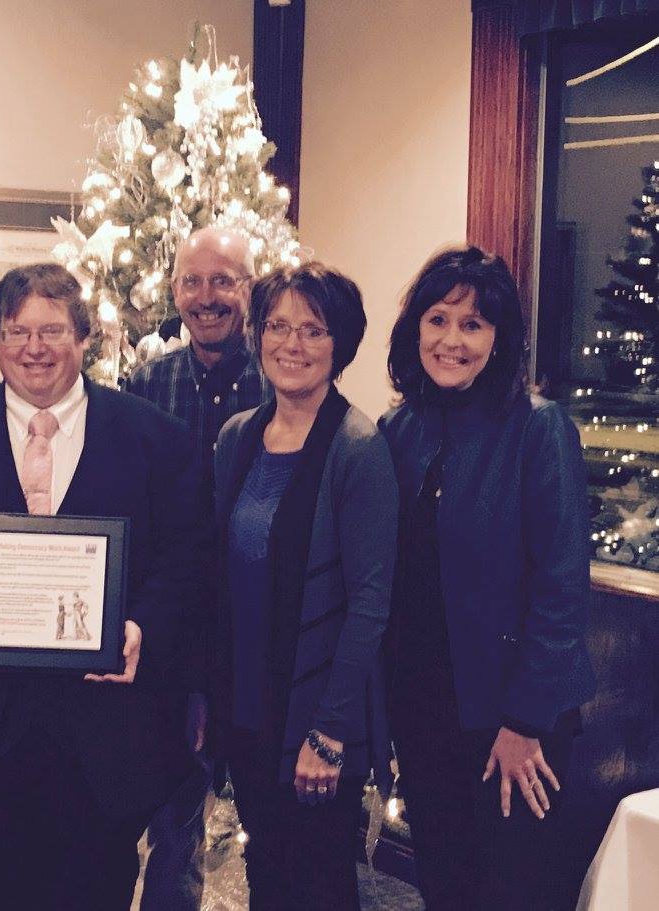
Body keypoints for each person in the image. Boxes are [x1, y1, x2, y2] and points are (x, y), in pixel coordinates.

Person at [0, 262, 211, 911]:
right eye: (17, 331)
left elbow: (186, 559)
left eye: (52, 330)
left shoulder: (157, 440)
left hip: (98, 753)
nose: (34, 348)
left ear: (84, 337)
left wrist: (141, 628)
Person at [379, 246, 596, 910]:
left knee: (512, 891)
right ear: (415, 328)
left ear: (498, 339)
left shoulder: (538, 428)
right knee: (444, 885)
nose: (452, 340)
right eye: (438, 319)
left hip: (514, 717)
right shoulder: (397, 429)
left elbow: (562, 588)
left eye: (472, 324)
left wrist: (525, 721)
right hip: (424, 711)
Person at [213, 262, 396, 909]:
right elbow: (219, 579)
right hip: (247, 708)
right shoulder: (238, 436)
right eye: (278, 326)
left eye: (313, 330)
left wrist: (329, 731)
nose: (292, 344)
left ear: (339, 344)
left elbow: (370, 605)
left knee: (317, 883)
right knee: (267, 867)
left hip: (315, 718)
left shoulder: (358, 446)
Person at [124, 225, 267, 911]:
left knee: (270, 821)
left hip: (257, 630)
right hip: (171, 631)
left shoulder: (282, 378)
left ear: (250, 288)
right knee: (171, 813)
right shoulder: (146, 383)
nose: (206, 297)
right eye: (192, 281)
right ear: (174, 290)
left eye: (223, 280)